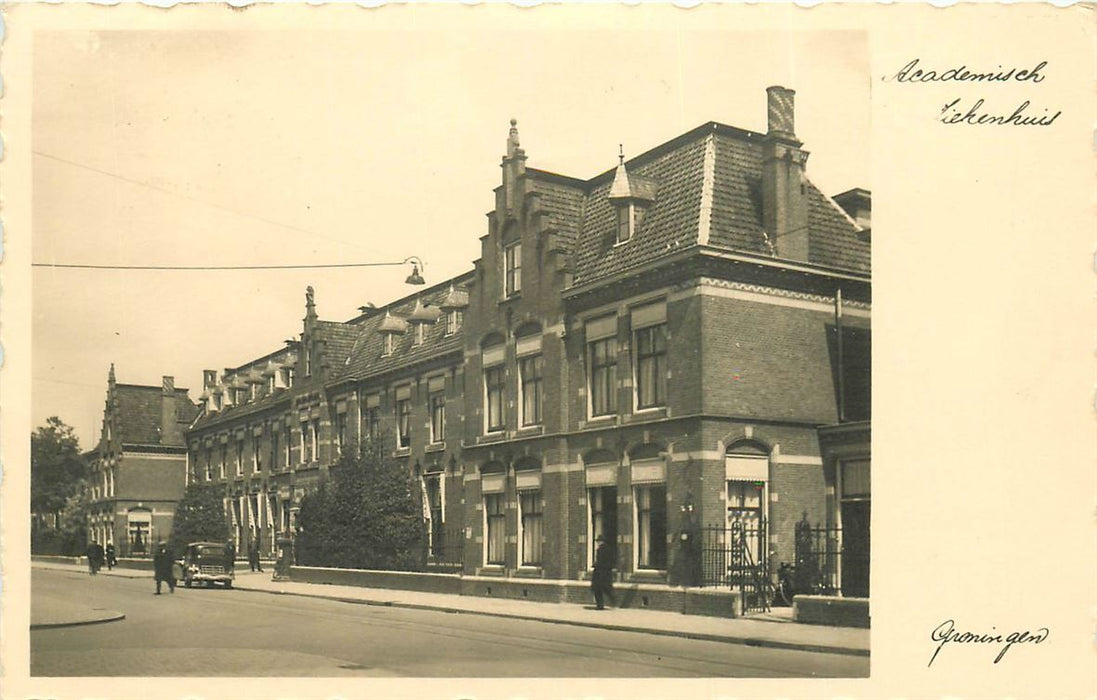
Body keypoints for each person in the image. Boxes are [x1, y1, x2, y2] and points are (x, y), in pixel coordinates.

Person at [591, 534, 616, 610]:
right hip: (607, 572)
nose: (597, 543)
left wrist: (595, 565)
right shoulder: (610, 549)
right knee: (606, 588)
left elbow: (600, 561)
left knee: (597, 588)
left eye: (598, 541)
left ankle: (600, 605)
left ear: (600, 542)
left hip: (600, 572)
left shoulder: (600, 550)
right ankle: (613, 599)